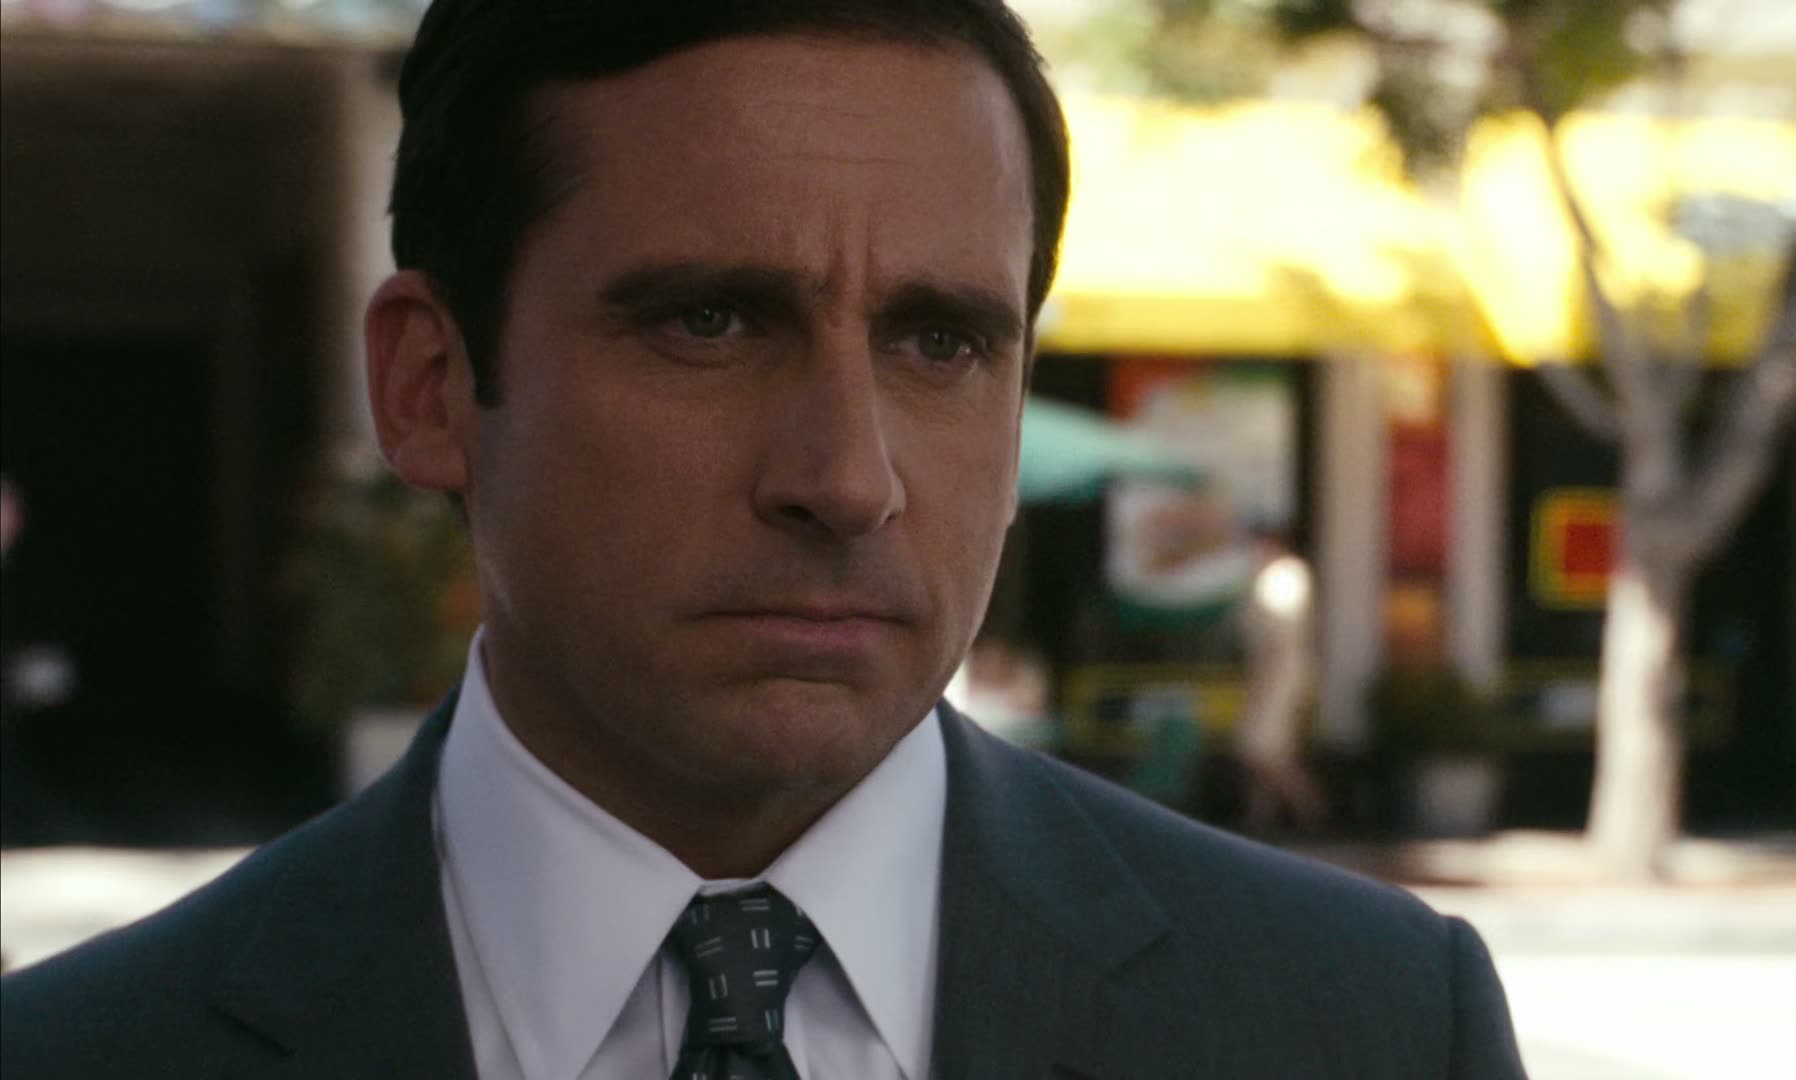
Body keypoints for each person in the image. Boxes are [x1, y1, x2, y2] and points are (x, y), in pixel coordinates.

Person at [0, 4, 1527, 1078]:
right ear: (431, 388)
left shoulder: (1373, 1029)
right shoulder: (86, 1054)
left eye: (941, 342)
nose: (846, 478)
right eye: (710, 323)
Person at [1235, 532, 1328, 834]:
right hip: (1277, 674)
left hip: (1278, 676)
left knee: (1261, 750)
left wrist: (1264, 684)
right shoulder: (1271, 577)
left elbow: (1277, 642)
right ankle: (1259, 819)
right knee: (1271, 750)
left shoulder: (1281, 577)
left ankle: (1311, 810)